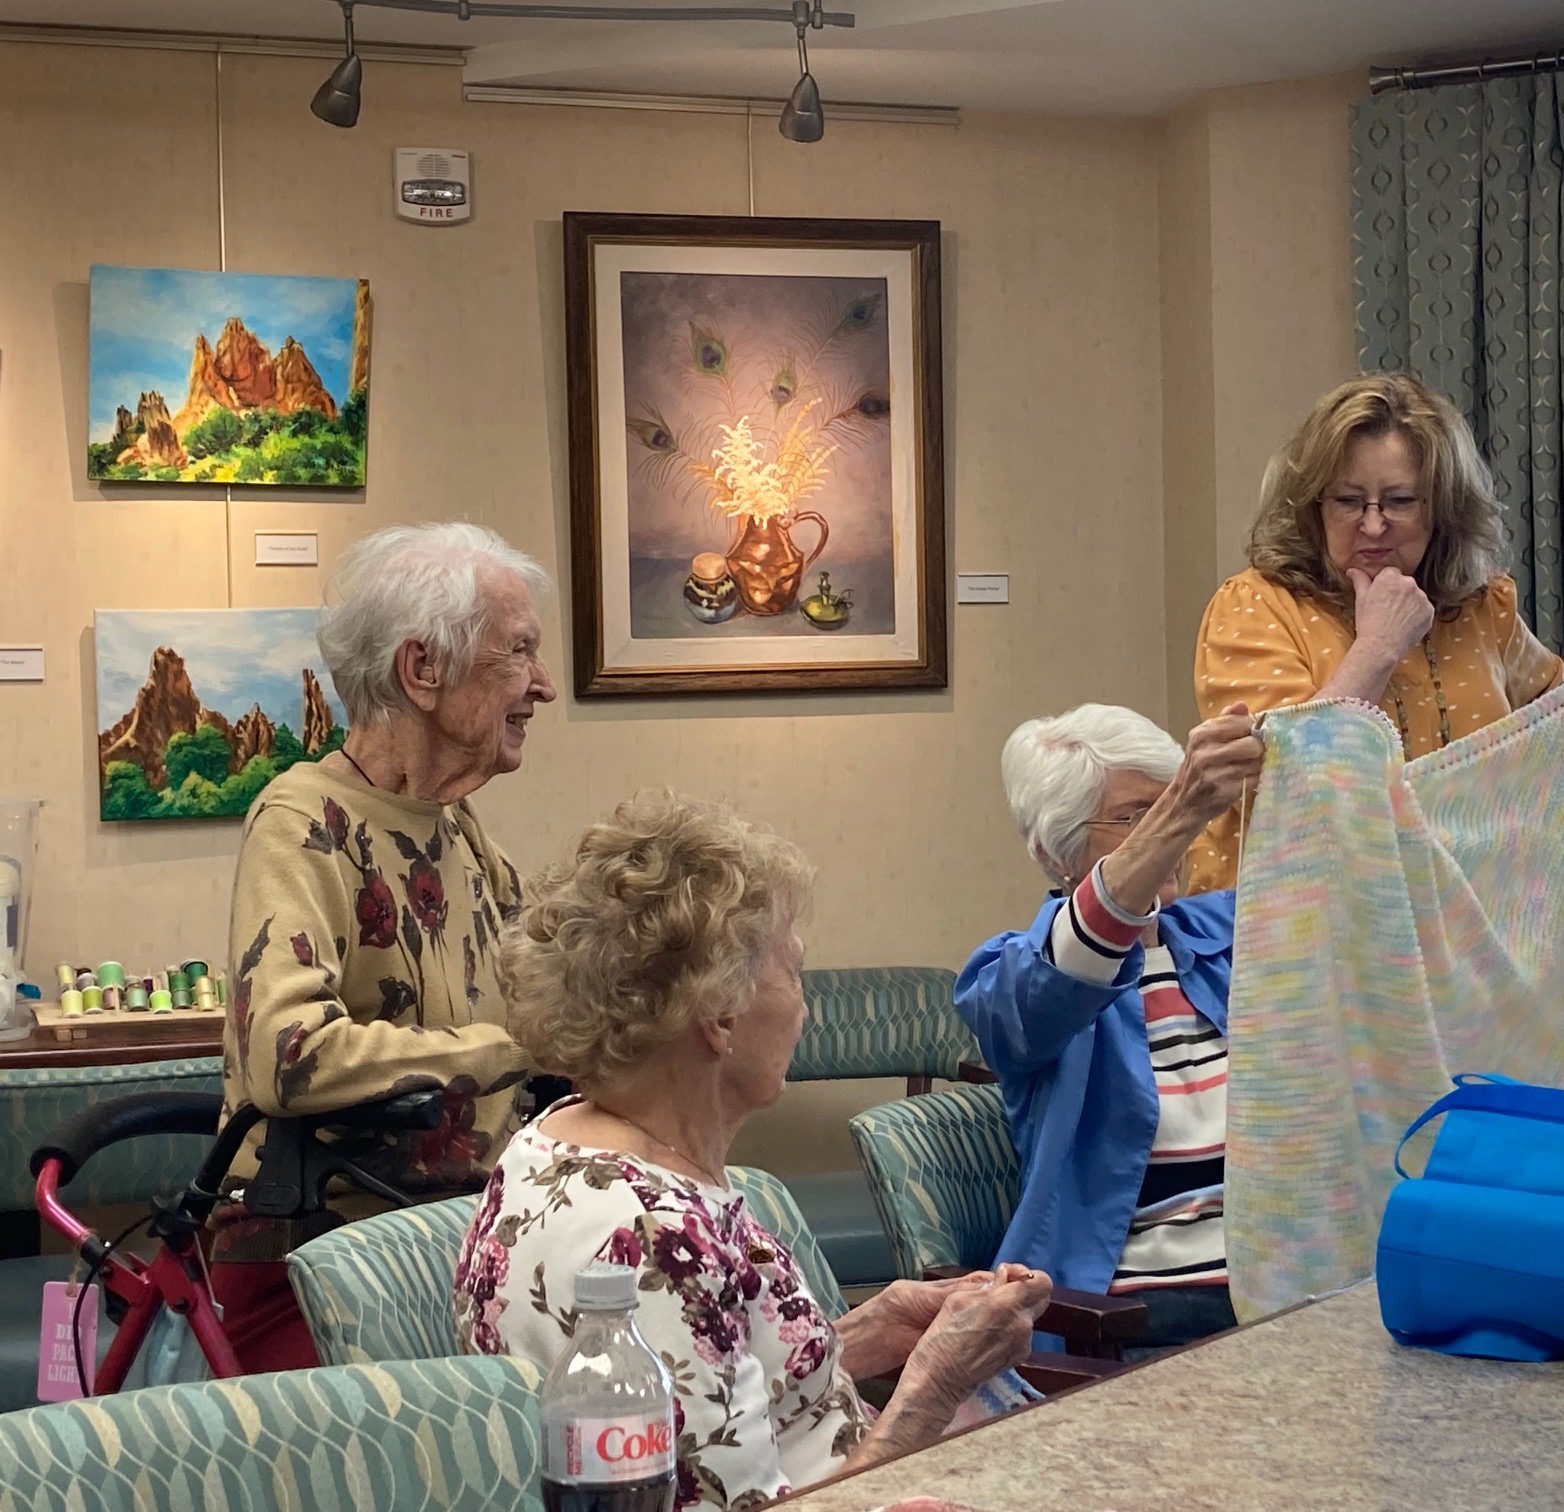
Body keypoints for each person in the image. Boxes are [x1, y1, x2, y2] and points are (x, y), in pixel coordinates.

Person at [456, 791, 1052, 1506]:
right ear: (719, 1014)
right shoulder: (652, 1235)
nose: (804, 1005)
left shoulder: (556, 1141)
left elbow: (702, 1379)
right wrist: (934, 1386)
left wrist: (879, 1325)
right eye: (793, 973)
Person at [212, 521, 556, 1372]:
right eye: (518, 653)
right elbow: (288, 1056)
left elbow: (547, 981)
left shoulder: (456, 824)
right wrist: (517, 1049)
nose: (543, 686)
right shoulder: (302, 824)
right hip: (322, 1260)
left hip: (450, 1237)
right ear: (422, 670)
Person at [1186, 372, 1564, 890]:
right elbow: (1282, 785)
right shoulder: (1253, 606)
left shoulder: (1481, 608)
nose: (1374, 526)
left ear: (1443, 508)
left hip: (1463, 936)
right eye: (1349, 501)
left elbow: (1559, 735)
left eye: (1400, 501)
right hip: (1299, 933)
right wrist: (1378, 646)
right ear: (1315, 507)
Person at [957, 702, 1263, 1353]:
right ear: (1053, 849)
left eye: (1175, 806)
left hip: (1293, 1285)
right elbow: (1065, 975)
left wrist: (1375, 653)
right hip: (1142, 1316)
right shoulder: (1010, 976)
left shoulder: (1229, 931)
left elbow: (1323, 868)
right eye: (1136, 815)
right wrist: (1184, 809)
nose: (1174, 837)